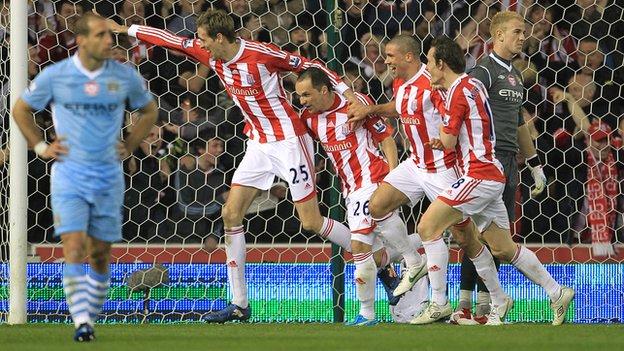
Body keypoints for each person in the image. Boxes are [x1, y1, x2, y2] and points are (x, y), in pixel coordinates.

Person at [103, 8, 364, 322]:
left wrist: (350, 93)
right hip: (258, 145)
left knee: (310, 222)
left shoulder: (261, 55)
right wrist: (124, 28)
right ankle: (239, 304)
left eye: (203, 39)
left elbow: (310, 64)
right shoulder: (211, 54)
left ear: (219, 37)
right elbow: (171, 40)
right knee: (230, 213)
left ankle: (376, 258)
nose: (199, 44)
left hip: (289, 142)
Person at [11, 12, 157, 341]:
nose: (109, 40)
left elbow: (148, 110)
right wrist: (40, 146)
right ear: (81, 40)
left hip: (108, 173)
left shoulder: (123, 76)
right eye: (102, 35)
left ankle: (88, 313)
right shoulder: (56, 75)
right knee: (74, 247)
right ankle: (82, 322)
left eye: (110, 34)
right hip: (69, 174)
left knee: (101, 252)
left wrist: (132, 143)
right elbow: (20, 108)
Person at [348, 35, 506, 320]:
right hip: (415, 164)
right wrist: (371, 109)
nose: (387, 61)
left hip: (443, 168)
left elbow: (456, 121)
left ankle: (497, 297)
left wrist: (450, 142)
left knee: (467, 239)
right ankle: (413, 260)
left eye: (391, 56)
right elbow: (400, 106)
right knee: (378, 205)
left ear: (409, 57)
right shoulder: (400, 82)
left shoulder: (434, 84)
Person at [419, 36, 574, 326]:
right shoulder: (474, 85)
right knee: (503, 247)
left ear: (441, 63)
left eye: (429, 62)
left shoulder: (458, 90)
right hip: (493, 173)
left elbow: (449, 141)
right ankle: (555, 291)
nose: (428, 68)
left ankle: (438, 301)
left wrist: (438, 141)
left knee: (427, 226)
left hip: (478, 174)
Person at [295, 67, 425, 325]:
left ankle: (367, 313)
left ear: (324, 90)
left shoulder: (357, 104)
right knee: (373, 254)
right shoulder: (309, 119)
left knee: (359, 248)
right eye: (299, 96)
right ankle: (423, 242)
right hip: (350, 190)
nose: (303, 101)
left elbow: (387, 139)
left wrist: (391, 180)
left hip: (373, 182)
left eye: (307, 95)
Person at [451, 10, 548, 325]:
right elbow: (464, 113)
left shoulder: (516, 75)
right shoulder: (483, 72)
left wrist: (534, 164)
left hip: (509, 160)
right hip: (485, 160)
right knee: (475, 231)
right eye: (517, 32)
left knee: (495, 235)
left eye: (524, 32)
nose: (523, 37)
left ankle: (480, 307)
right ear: (499, 35)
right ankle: (467, 304)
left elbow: (519, 123)